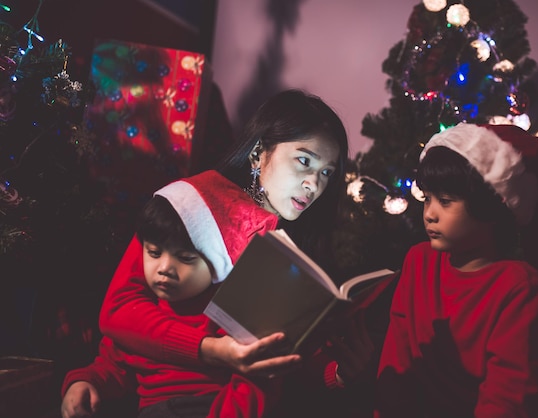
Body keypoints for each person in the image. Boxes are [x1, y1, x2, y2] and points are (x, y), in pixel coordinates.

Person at [67, 89, 371, 416]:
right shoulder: (188, 206)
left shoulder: (289, 242)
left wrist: (337, 373)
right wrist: (91, 378)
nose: (314, 183)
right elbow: (124, 314)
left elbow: (285, 358)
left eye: (327, 172)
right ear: (258, 153)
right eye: (304, 161)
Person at [374, 123, 538, 418]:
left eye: (446, 201)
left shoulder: (519, 286)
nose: (429, 213)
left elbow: (508, 398)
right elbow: (397, 362)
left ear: (490, 206)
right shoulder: (419, 261)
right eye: (427, 198)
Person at [61, 191, 281, 418]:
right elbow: (113, 366)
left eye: (185, 258)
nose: (164, 267)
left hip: (209, 408)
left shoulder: (228, 311)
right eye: (154, 253)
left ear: (219, 262)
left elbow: (255, 384)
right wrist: (84, 382)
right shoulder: (140, 318)